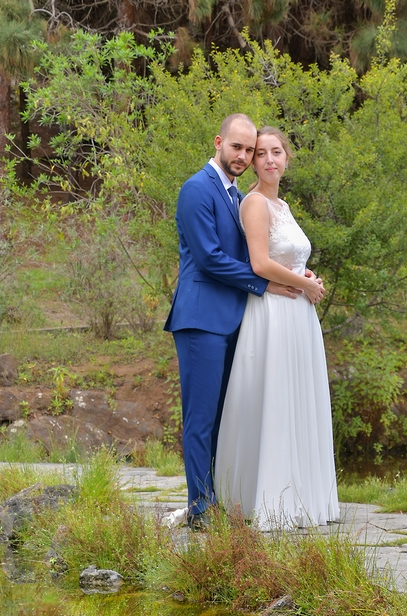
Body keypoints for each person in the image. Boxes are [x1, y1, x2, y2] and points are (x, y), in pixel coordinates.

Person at [165, 114, 301, 529]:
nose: (243, 156)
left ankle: (220, 498)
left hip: (232, 320)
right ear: (219, 142)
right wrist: (263, 285)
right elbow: (208, 258)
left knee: (227, 416)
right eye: (237, 147)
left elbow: (250, 252)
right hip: (201, 319)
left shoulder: (233, 193)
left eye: (249, 150)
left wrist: (294, 273)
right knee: (201, 419)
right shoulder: (196, 189)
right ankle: (201, 509)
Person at [214, 127, 340, 529]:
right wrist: (307, 285)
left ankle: (302, 496)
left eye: (276, 152)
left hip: (297, 314)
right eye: (261, 153)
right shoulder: (254, 204)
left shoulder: (282, 205)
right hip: (272, 312)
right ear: (252, 162)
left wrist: (306, 276)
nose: (269, 159)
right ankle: (269, 501)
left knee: (296, 399)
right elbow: (259, 264)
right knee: (275, 398)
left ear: (287, 159)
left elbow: (290, 258)